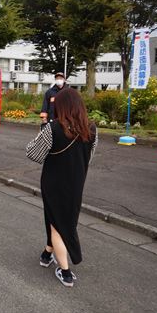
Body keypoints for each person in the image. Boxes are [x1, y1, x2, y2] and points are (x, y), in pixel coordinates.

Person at [26, 88, 98, 287]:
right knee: (61, 220)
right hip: (76, 183)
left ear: (60, 106)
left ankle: (65, 271)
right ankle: (47, 254)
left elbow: (33, 154)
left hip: (53, 183)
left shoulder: (53, 128)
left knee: (57, 224)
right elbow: (88, 157)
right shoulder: (92, 129)